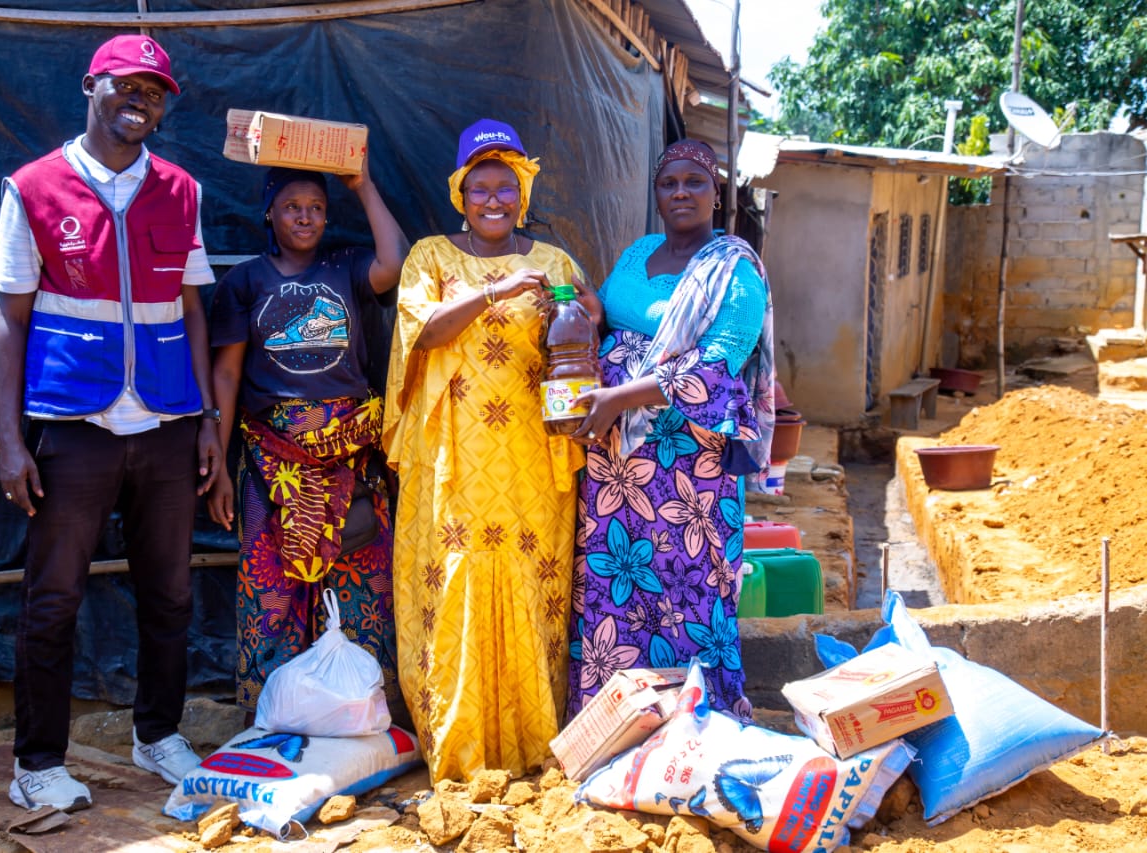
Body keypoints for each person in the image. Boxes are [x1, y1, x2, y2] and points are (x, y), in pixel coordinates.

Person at [0, 34, 221, 812]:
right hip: (72, 420)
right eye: (128, 85)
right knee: (52, 597)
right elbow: (8, 317)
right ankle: (38, 761)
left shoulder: (182, 191)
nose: (142, 100)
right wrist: (13, 438)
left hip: (164, 421)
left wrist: (208, 418)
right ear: (91, 85)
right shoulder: (33, 186)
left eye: (156, 92)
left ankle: (157, 732)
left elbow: (191, 306)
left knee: (171, 594)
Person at [381, 118, 599, 782]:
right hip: (454, 459)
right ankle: (462, 747)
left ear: (523, 192)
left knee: (535, 586)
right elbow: (423, 334)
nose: (495, 199)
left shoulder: (555, 262)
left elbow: (576, 347)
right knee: (455, 587)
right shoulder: (429, 258)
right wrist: (497, 290)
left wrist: (585, 311)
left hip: (532, 456)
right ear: (460, 193)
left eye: (507, 186)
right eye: (481, 188)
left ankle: (535, 742)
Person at [565, 139, 775, 721]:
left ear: (716, 193)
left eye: (694, 182)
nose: (680, 192)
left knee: (690, 591)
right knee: (617, 588)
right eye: (668, 183)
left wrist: (617, 397)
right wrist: (592, 315)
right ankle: (614, 728)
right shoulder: (639, 253)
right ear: (656, 193)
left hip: (688, 464)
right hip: (617, 464)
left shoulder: (734, 270)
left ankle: (698, 727)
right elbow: (610, 319)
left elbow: (716, 367)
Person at [205, 158, 408, 717]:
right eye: (292, 207)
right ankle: (275, 717)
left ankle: (359, 714)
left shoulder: (344, 267)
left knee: (363, 581)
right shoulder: (244, 282)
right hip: (273, 459)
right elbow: (225, 375)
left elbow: (395, 261)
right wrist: (219, 460)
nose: (306, 218)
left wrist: (363, 184)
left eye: (317, 208)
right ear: (268, 213)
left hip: (349, 453)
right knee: (272, 589)